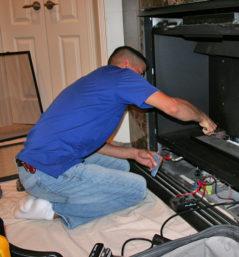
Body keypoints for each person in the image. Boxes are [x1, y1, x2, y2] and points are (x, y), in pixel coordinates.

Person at [15, 46, 217, 229]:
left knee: (122, 165)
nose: (141, 80)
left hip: (34, 165)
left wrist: (134, 153)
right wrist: (203, 118)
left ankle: (59, 192)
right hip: (46, 173)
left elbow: (92, 144)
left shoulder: (96, 80)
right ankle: (50, 209)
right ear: (126, 65)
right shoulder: (121, 76)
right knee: (136, 189)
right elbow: (173, 107)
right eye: (140, 73)